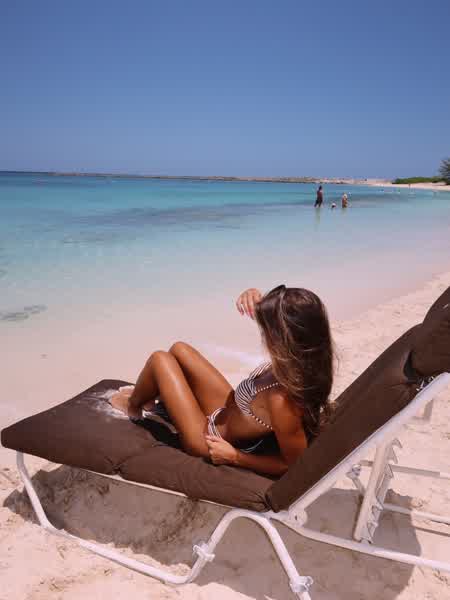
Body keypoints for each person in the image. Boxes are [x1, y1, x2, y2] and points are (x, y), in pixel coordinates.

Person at [110, 286, 334, 477]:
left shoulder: (282, 400)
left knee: (160, 360)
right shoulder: (301, 363)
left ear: (282, 337)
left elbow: (293, 465)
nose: (263, 333)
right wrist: (257, 299)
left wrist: (235, 457)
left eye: (266, 328)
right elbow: (284, 321)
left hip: (207, 438)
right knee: (179, 349)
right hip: (225, 410)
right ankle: (152, 394)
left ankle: (134, 404)